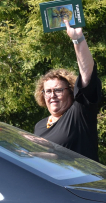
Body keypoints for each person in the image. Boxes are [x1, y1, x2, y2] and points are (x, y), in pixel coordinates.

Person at [33, 22, 100, 161]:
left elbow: (88, 74)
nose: (52, 96)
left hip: (83, 182)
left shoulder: (79, 114)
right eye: (48, 91)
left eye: (58, 90)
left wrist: (78, 39)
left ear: (70, 91)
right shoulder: (39, 126)